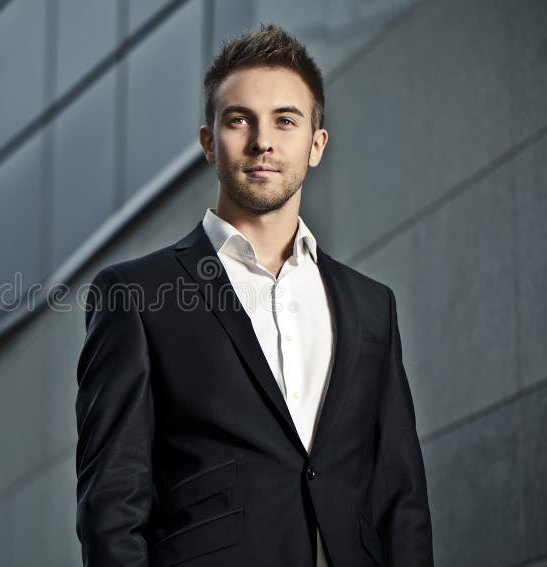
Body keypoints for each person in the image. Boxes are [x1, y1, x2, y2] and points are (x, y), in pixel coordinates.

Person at [75, 23, 433, 567]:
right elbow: (111, 506)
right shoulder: (135, 296)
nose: (263, 140)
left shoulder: (370, 306)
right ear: (208, 143)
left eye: (285, 121)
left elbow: (400, 497)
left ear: (315, 145)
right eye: (239, 119)